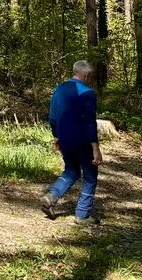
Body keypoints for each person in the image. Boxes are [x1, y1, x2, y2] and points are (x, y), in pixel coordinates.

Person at [41, 60, 101, 224]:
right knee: (90, 176)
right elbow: (90, 122)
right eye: (91, 76)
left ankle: (51, 196)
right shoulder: (88, 93)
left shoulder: (59, 89)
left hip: (65, 138)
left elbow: (53, 117)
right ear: (86, 75)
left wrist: (57, 136)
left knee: (72, 171)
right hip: (82, 140)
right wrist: (95, 147)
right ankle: (82, 215)